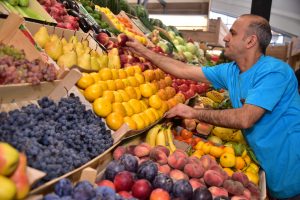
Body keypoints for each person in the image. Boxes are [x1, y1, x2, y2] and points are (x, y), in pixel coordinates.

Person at [126, 14, 300, 199]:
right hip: (268, 169)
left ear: (250, 41)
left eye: (232, 33)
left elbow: (245, 118)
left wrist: (193, 112)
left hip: (293, 172)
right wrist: (142, 50)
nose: (225, 37)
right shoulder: (232, 71)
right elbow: (183, 70)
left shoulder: (274, 72)